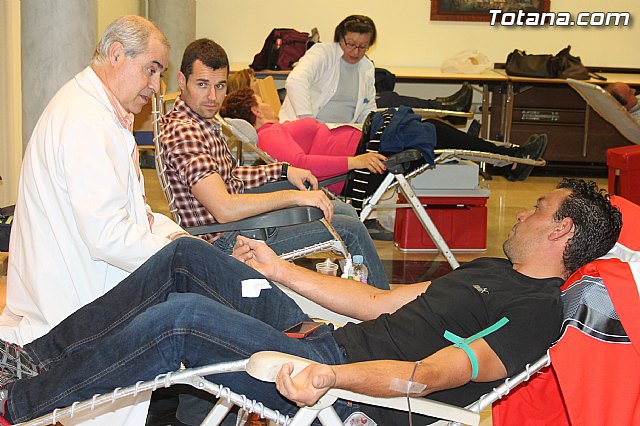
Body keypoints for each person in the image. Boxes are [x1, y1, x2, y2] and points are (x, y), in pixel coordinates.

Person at [0, 179, 622, 425]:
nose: (524, 212)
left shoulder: (539, 311)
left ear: (561, 231)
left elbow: (427, 376)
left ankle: (17, 406)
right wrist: (278, 272)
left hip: (339, 384)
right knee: (188, 256)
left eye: (539, 208)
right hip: (317, 338)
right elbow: (380, 302)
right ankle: (32, 360)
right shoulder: (492, 269)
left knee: (181, 321)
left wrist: (331, 377)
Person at [1, 15, 186, 425]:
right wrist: (180, 257)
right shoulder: (84, 120)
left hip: (82, 290)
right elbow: (108, 235)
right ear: (117, 54)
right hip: (71, 307)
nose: (156, 86)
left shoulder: (100, 113)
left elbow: (135, 213)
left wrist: (179, 239)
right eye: (151, 70)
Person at [159, 38, 390, 284]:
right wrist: (294, 197)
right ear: (182, 81)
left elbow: (229, 177)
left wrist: (283, 170)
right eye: (202, 84)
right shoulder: (184, 132)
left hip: (238, 226)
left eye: (220, 86)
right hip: (225, 241)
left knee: (342, 211)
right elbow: (224, 209)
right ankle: (381, 303)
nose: (212, 96)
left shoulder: (202, 121)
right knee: (349, 229)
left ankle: (359, 294)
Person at [222, 88, 549, 184]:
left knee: (435, 132)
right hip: (363, 156)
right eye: (261, 99)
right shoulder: (267, 134)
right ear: (254, 109)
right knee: (436, 133)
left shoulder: (274, 129)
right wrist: (356, 162)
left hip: (365, 145)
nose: (268, 102)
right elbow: (300, 164)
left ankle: (506, 157)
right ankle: (513, 159)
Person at [279, 15, 471, 125]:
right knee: (392, 101)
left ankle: (445, 113)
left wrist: (371, 127)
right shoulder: (323, 53)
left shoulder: (366, 66)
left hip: (343, 132)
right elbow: (295, 81)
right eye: (350, 44)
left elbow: (367, 107)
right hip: (309, 130)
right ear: (340, 38)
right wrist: (307, 121)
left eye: (363, 47)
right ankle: (446, 108)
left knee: (404, 123)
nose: (355, 51)